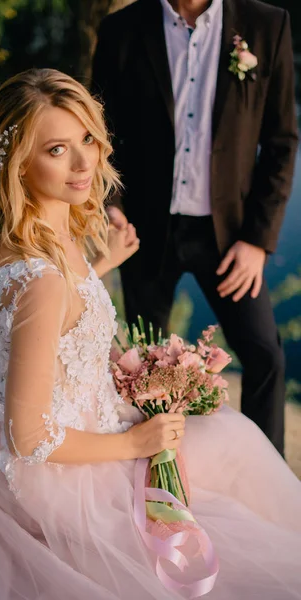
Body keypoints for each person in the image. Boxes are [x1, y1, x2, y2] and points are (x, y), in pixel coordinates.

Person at [0, 68, 301, 600]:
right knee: (232, 452)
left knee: (226, 442)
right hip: (61, 465)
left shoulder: (32, 231)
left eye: (88, 138)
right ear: (19, 162)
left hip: (32, 407)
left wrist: (97, 269)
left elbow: (55, 321)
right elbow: (30, 436)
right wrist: (133, 442)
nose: (85, 161)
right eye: (58, 150)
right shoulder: (41, 280)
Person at [91, 0, 299, 457]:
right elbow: (98, 132)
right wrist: (110, 204)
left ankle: (264, 477)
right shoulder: (122, 29)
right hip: (143, 233)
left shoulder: (268, 26)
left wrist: (259, 242)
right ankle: (154, 478)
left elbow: (282, 143)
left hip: (230, 237)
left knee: (265, 355)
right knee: (143, 365)